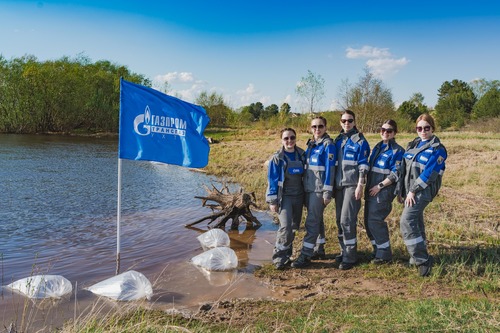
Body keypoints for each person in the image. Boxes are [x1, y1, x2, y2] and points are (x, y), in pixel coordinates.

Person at [396, 113, 447, 277]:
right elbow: (404, 170)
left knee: (406, 220)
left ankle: (422, 260)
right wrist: (402, 191)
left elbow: (429, 173)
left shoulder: (438, 149)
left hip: (422, 191)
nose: (423, 131)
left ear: (432, 128)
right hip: (409, 191)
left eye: (427, 128)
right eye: (419, 128)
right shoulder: (413, 145)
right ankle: (418, 256)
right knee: (416, 221)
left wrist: (412, 191)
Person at [291, 116, 336, 268]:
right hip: (309, 189)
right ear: (310, 128)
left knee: (311, 221)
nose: (317, 129)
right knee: (318, 220)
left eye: (320, 126)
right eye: (314, 127)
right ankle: (319, 248)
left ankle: (305, 254)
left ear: (325, 127)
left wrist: (327, 192)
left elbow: (330, 170)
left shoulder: (328, 145)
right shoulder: (312, 145)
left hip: (319, 190)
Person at [333, 110, 370, 270]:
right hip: (339, 186)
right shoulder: (338, 140)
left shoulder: (360, 141)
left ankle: (350, 256)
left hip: (352, 185)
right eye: (343, 120)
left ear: (354, 122)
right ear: (340, 122)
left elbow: (363, 165)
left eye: (349, 120)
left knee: (347, 221)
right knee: (338, 221)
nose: (346, 123)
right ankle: (344, 251)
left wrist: (360, 185)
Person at [364, 120, 404, 264]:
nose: (385, 133)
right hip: (370, 191)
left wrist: (379, 186)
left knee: (375, 221)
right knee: (368, 222)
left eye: (389, 131)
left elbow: (395, 174)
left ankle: (385, 254)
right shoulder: (378, 147)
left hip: (382, 192)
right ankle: (377, 250)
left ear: (394, 133)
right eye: (383, 130)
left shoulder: (397, 151)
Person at [266, 128, 306, 270]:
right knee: (285, 226)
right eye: (286, 138)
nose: (289, 141)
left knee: (294, 227)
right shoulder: (277, 158)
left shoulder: (302, 155)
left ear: (296, 138)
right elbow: (272, 180)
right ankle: (279, 258)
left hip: (299, 196)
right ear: (281, 140)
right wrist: (272, 201)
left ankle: (288, 254)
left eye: (292, 137)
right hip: (285, 198)